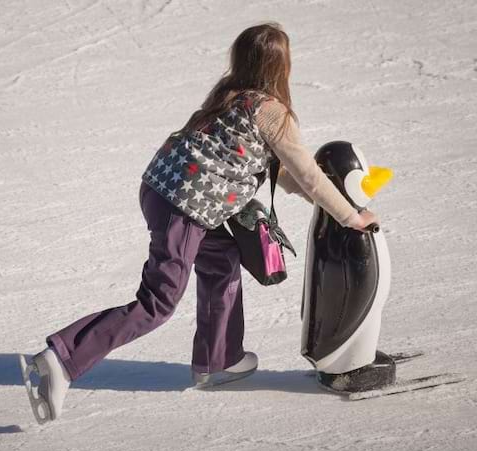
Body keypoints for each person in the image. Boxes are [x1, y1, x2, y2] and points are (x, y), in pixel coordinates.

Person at [19, 22, 380, 423]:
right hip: (183, 206)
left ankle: (219, 359)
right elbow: (308, 175)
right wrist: (350, 216)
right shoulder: (273, 112)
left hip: (163, 191)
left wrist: (317, 197)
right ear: (281, 66)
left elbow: (280, 170)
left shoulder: (230, 97)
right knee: (157, 303)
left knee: (221, 259)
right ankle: (63, 359)